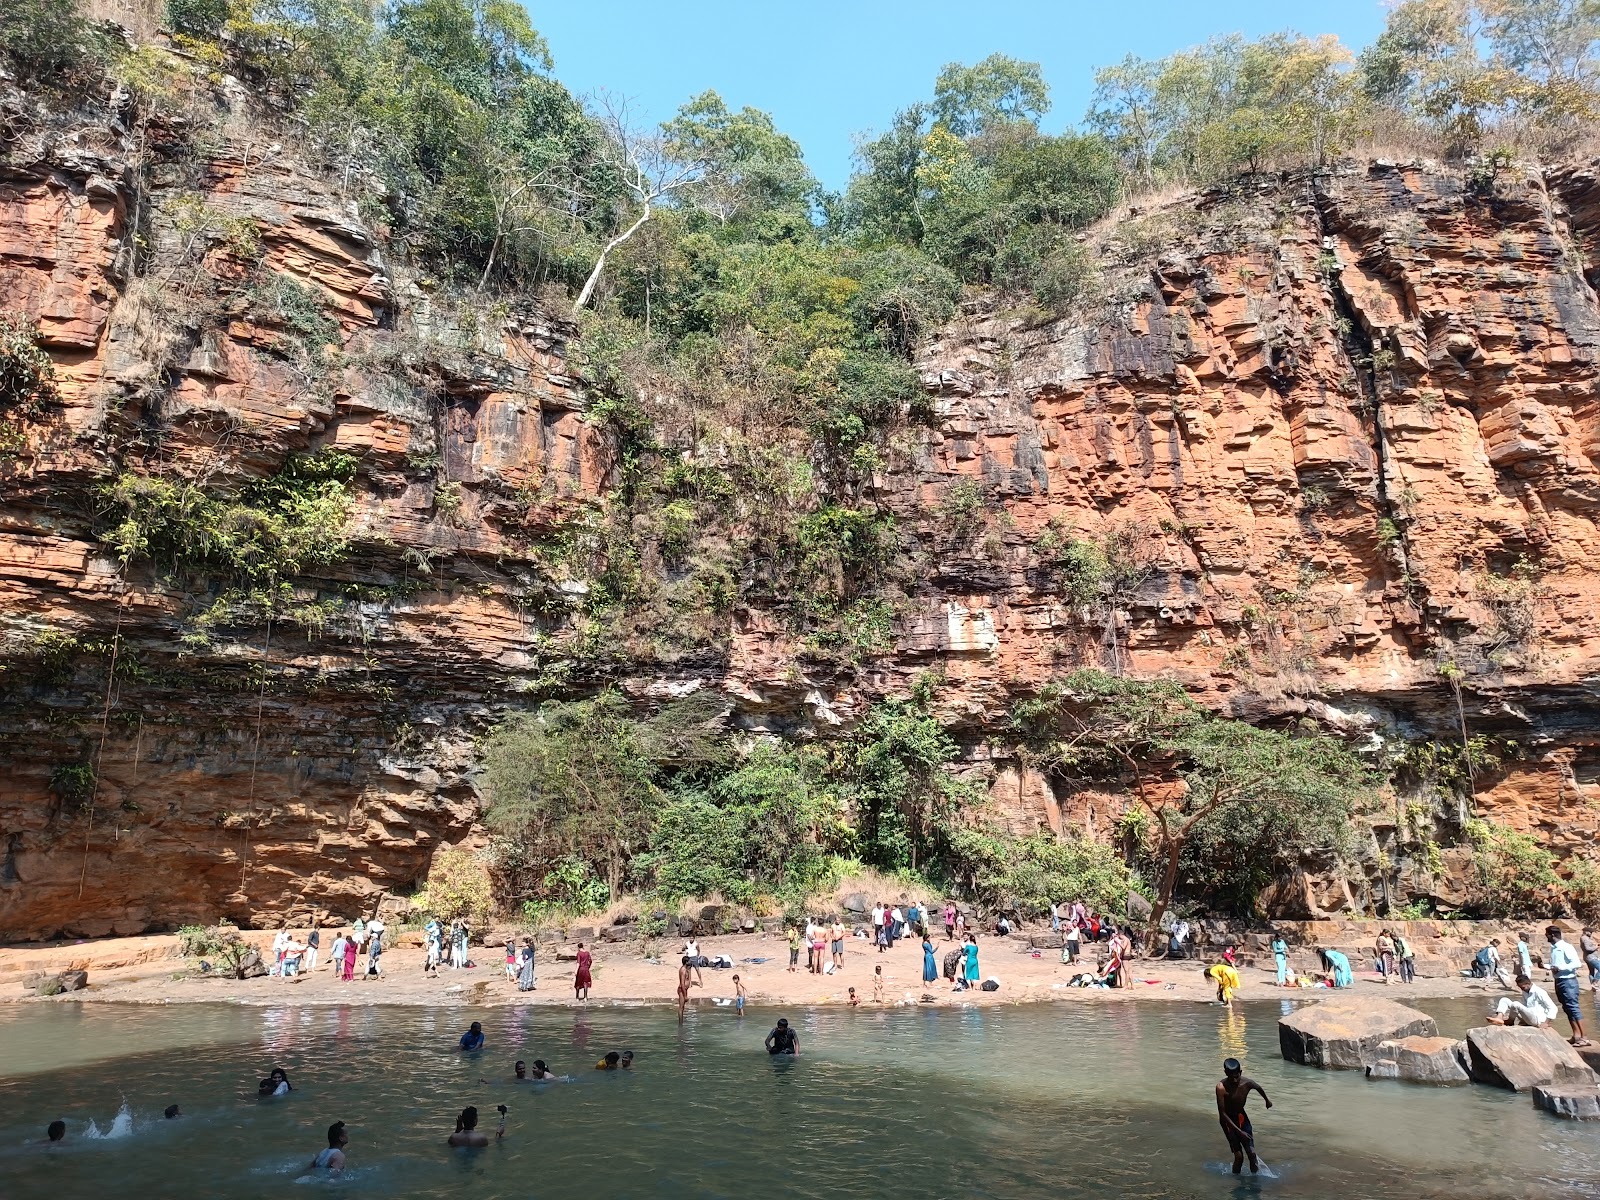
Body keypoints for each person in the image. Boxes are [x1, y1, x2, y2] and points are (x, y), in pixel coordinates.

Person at [1216, 1058, 1272, 1176]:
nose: (1235, 1080)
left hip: (1241, 1117)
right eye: (1231, 1078)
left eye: (1237, 1076)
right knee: (1239, 1157)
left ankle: (1255, 1181)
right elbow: (1222, 1114)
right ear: (1226, 1073)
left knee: (1251, 1154)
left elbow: (1258, 1088)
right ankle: (1237, 1182)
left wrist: (1267, 1100)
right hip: (1228, 1121)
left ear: (1240, 1072)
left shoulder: (1247, 1083)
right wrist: (1239, 1132)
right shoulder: (1221, 1088)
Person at [1546, 925, 1592, 1046]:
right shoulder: (1554, 948)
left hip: (1568, 981)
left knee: (1573, 1008)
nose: (1546, 936)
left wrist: (1560, 968)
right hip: (1559, 980)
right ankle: (1576, 1035)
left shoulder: (1566, 947)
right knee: (1567, 1008)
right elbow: (1557, 964)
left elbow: (1576, 963)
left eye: (1547, 934)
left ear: (1552, 935)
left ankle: (1584, 1037)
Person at [1489, 973, 1559, 1027]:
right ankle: (1499, 1017)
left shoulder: (1540, 992)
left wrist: (1546, 1022)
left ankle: (1510, 1021)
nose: (1521, 989)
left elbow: (1553, 1008)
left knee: (1516, 1004)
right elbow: (1525, 1007)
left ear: (1528, 983)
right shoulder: (1525, 992)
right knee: (1504, 999)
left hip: (1537, 1019)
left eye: (1522, 987)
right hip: (1528, 1017)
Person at [676, 955, 700, 1023]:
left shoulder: (687, 968)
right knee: (681, 1007)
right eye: (689, 961)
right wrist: (685, 995)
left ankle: (682, 1021)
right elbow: (682, 983)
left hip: (684, 990)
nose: (690, 961)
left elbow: (688, 978)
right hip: (681, 990)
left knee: (683, 1007)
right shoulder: (683, 970)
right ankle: (680, 1023)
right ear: (686, 962)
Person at [1582, 927, 1600, 991]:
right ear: (1586, 932)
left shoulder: (1585, 938)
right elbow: (1588, 949)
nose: (1591, 934)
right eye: (1590, 932)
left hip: (1588, 957)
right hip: (1591, 957)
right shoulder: (1585, 938)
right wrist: (1596, 947)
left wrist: (1596, 945)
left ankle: (1593, 988)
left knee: (1591, 971)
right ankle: (1594, 983)